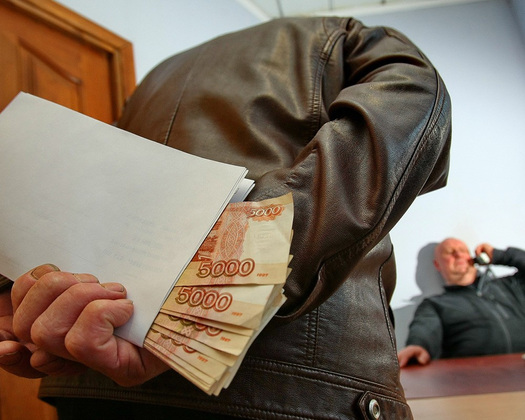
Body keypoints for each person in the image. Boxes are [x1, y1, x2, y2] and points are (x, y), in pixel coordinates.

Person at [0, 17, 451, 419]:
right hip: (292, 386)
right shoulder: (343, 35)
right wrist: (216, 296)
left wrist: (15, 293)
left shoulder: (156, 77)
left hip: (94, 377)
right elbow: (413, 99)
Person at [398, 238, 525, 368]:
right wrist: (417, 345)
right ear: (437, 265)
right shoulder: (435, 304)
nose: (458, 254)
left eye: (463, 251)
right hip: (477, 376)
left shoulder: (511, 285)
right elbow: (424, 329)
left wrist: (500, 255)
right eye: (450, 252)